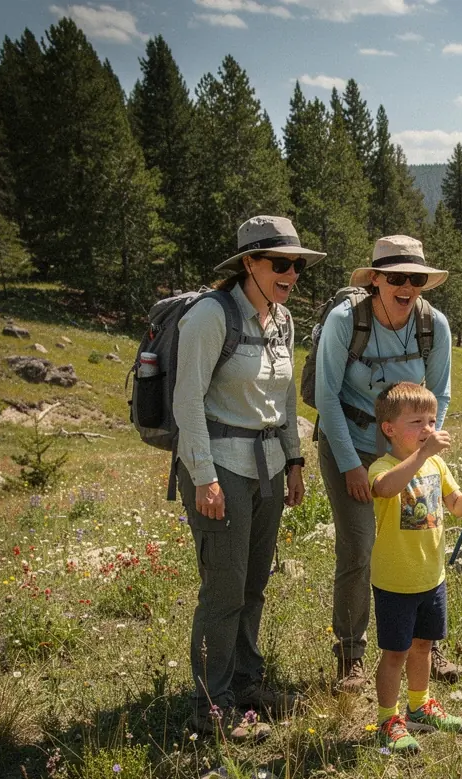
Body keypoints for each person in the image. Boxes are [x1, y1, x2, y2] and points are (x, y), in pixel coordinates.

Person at [174, 215, 326, 740]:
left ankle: (245, 682)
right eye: (279, 264)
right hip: (221, 469)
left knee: (254, 583)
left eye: (296, 265)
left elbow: (283, 398)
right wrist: (203, 476)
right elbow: (187, 399)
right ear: (249, 264)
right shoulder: (210, 316)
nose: (291, 274)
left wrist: (296, 460)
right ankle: (212, 707)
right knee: (224, 589)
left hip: (268, 470)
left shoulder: (280, 320)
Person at [315, 235, 462, 692]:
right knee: (360, 548)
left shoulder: (433, 325)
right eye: (396, 277)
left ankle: (425, 644)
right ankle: (350, 655)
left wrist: (423, 448)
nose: (406, 286)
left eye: (415, 279)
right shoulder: (346, 322)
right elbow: (326, 396)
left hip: (408, 451)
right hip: (352, 444)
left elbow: (439, 392)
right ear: (375, 279)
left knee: (421, 536)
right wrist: (351, 465)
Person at [367, 382, 462, 753]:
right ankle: (387, 718)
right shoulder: (384, 466)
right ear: (389, 428)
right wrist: (422, 455)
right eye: (416, 422)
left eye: (432, 420)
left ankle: (419, 706)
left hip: (431, 578)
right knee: (395, 653)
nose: (427, 428)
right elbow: (386, 489)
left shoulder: (437, 464)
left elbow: (457, 507)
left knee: (423, 646)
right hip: (395, 581)